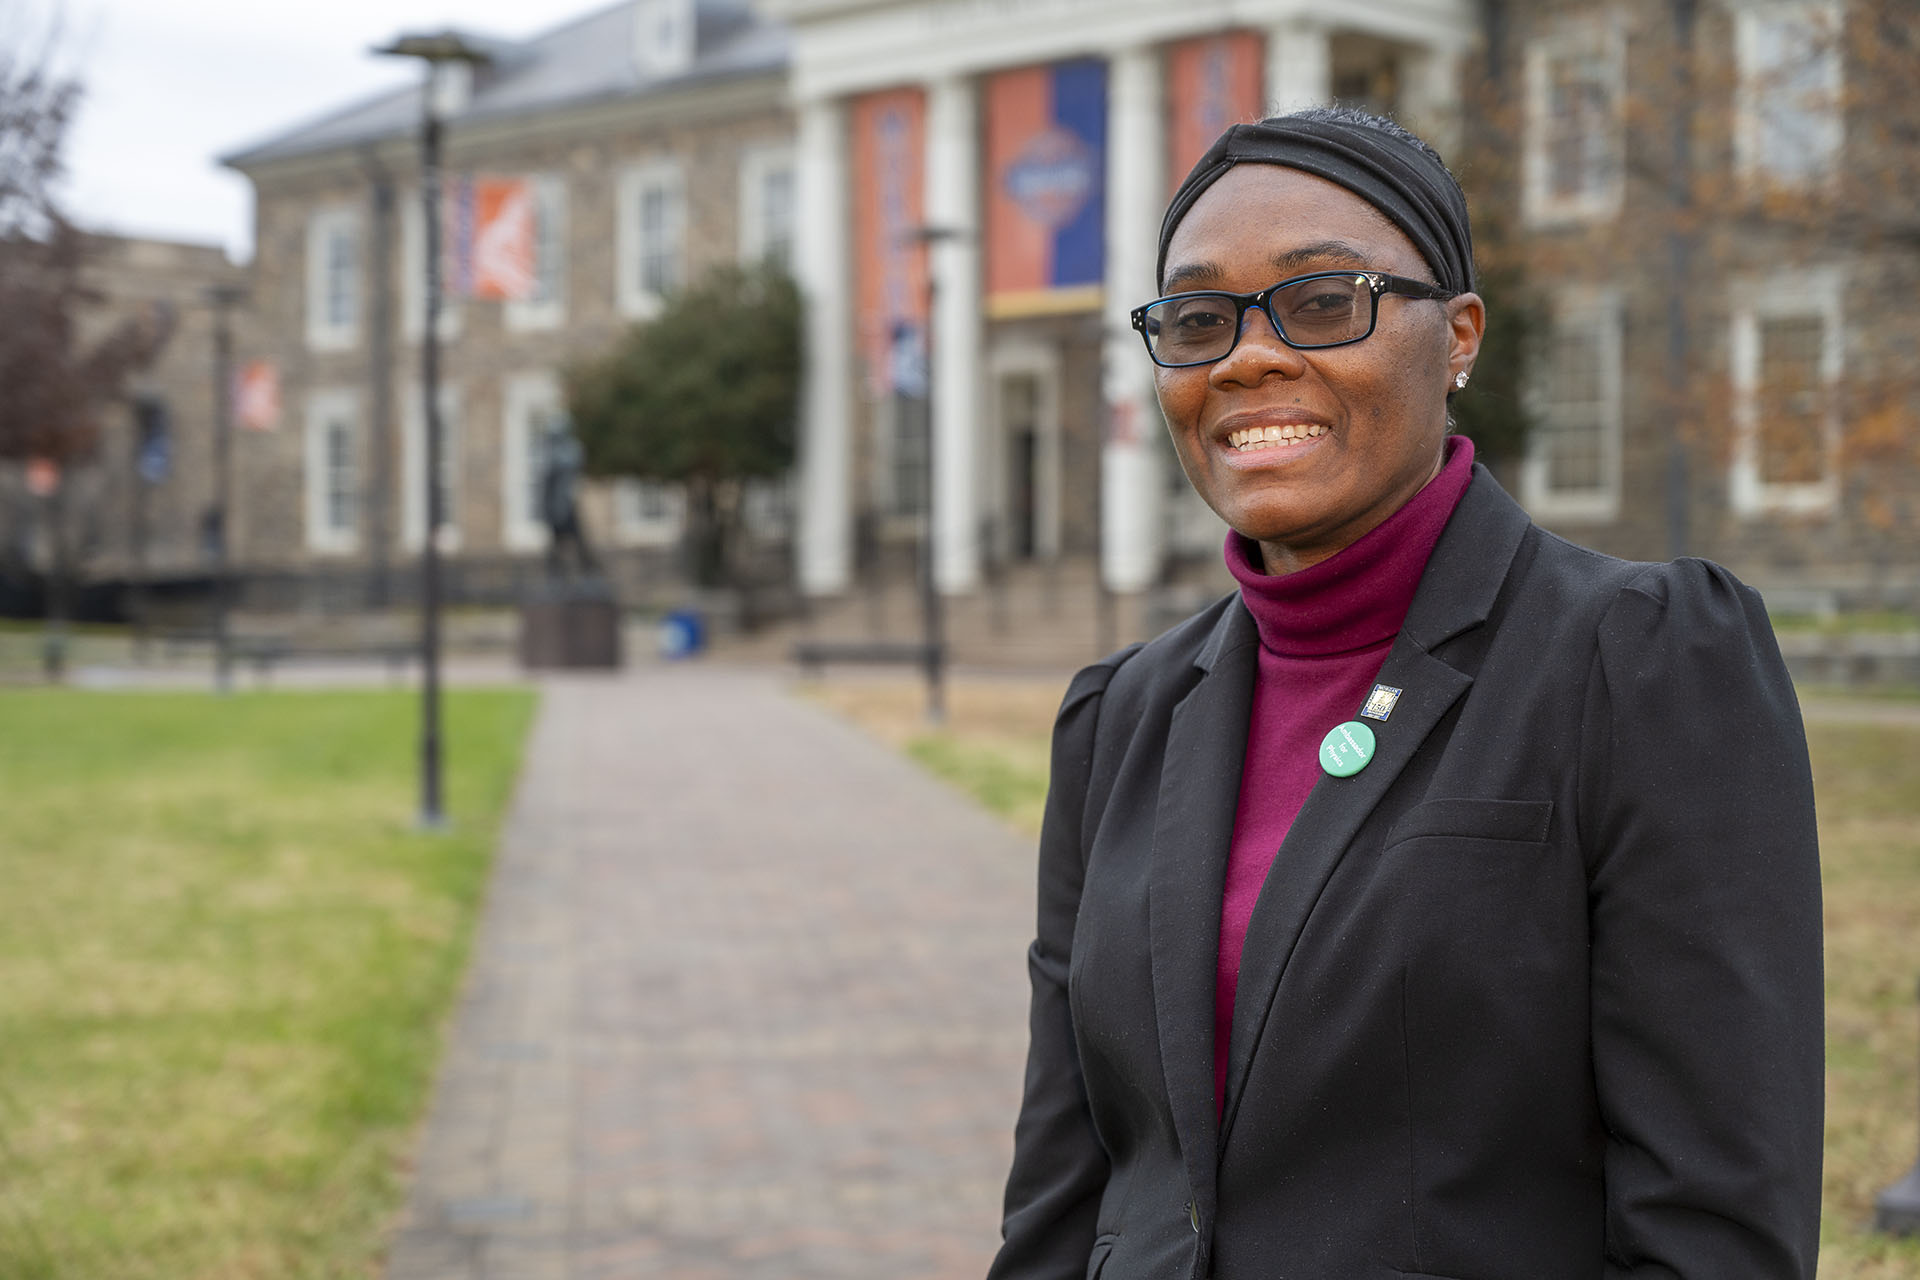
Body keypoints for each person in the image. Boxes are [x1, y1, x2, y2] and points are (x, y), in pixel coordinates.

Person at [986, 107, 1823, 1280]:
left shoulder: (1636, 660)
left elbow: (1716, 1222)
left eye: (1325, 301)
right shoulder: (1123, 714)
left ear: (1460, 335)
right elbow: (1066, 1196)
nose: (1248, 356)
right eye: (1197, 317)